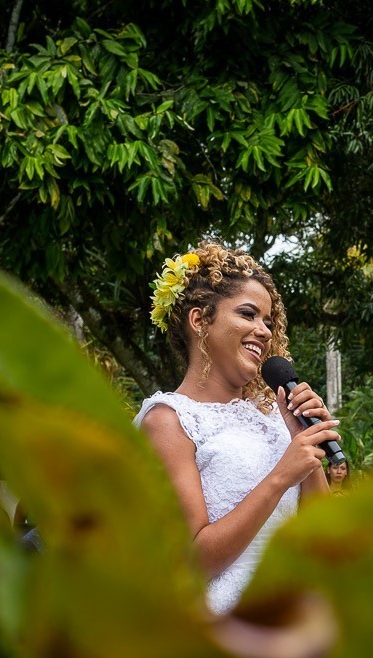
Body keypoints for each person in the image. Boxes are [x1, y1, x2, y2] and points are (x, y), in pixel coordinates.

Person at [134, 242, 341, 614]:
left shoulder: (278, 416)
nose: (263, 331)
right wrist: (280, 476)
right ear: (200, 321)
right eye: (248, 314)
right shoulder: (168, 420)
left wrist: (303, 443)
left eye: (268, 321)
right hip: (225, 620)